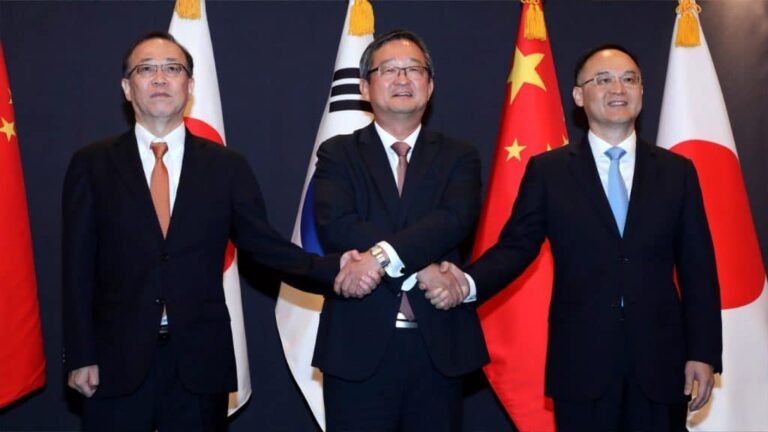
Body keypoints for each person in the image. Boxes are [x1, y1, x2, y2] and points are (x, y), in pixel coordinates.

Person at [62, 31, 374, 432]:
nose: (160, 78)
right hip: (113, 360)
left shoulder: (227, 166)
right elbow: (76, 267)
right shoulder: (92, 164)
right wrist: (80, 354)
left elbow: (265, 247)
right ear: (127, 87)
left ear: (190, 86)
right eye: (146, 69)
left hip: (199, 362)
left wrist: (335, 269)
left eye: (173, 68)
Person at [431, 45, 722, 431]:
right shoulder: (549, 171)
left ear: (641, 91)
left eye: (629, 79)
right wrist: (465, 283)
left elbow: (698, 267)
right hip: (582, 363)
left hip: (661, 363)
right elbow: (516, 247)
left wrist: (703, 351)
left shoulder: (677, 171)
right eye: (603, 80)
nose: (617, 88)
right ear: (578, 96)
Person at [310, 29, 489, 431]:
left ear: (430, 85)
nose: (403, 79)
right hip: (357, 347)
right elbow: (338, 224)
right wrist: (420, 267)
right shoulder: (338, 153)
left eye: (414, 69)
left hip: (437, 348)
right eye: (389, 70)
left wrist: (383, 256)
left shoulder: (459, 156)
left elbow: (454, 220)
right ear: (365, 87)